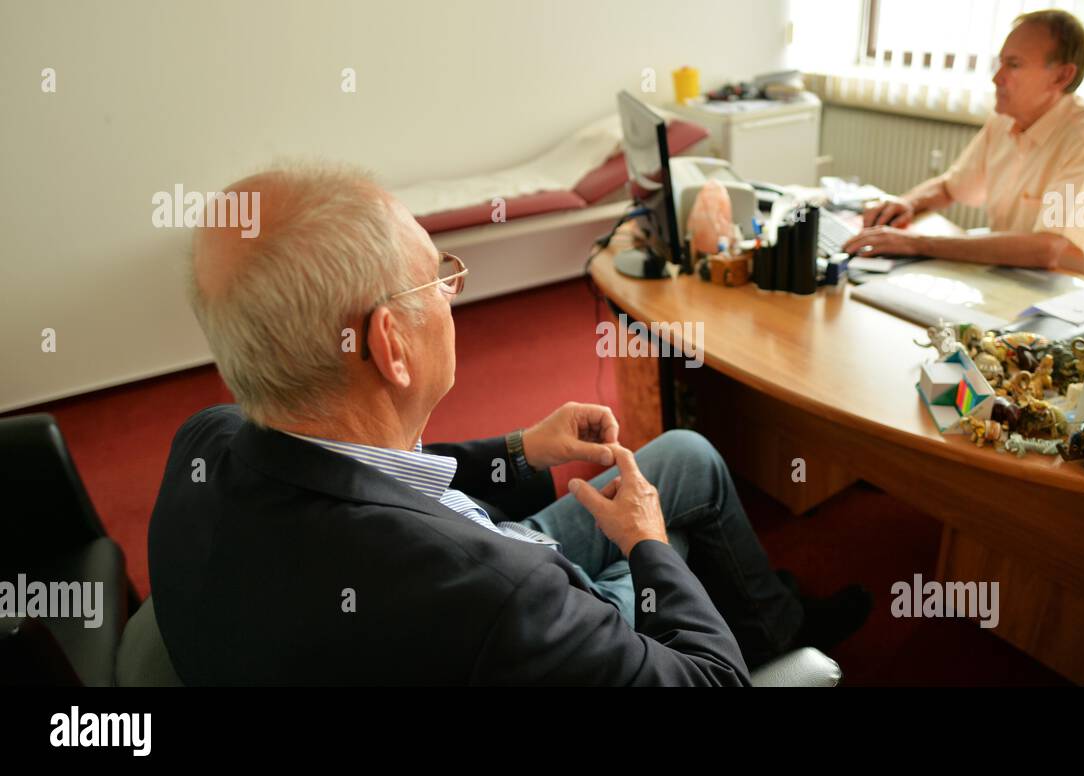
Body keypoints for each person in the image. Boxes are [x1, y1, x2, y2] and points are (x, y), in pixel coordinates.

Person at [148, 162, 871, 685]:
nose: (452, 297)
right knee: (672, 526)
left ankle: (776, 621)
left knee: (683, 455)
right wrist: (648, 548)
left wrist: (524, 449)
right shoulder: (504, 598)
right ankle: (772, 647)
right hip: (524, 600)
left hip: (479, 560)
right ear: (391, 345)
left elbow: (373, 478)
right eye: (437, 278)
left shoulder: (205, 440)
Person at [843, 9, 1084, 278]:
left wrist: (916, 243)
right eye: (1000, 62)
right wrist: (905, 203)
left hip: (1071, 289)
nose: (996, 77)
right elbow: (949, 187)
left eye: (1013, 65)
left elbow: (1049, 249)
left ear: (1062, 76)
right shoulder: (1004, 120)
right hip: (1011, 272)